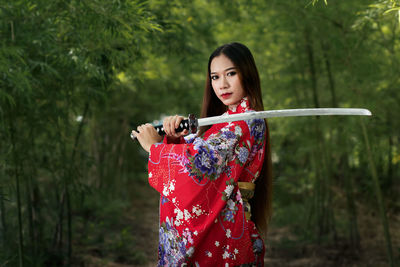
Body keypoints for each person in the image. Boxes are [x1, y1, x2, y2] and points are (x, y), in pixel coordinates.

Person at [131, 42, 273, 266]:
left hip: (226, 235)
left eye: (231, 74)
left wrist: (154, 148)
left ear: (247, 73)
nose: (222, 85)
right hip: (222, 230)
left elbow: (203, 166)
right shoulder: (228, 121)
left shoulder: (246, 119)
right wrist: (182, 137)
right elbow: (209, 156)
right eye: (215, 77)